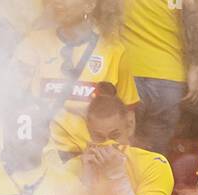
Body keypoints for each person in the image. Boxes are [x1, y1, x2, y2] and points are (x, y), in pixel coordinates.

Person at [14, 0, 139, 158]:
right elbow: (11, 100)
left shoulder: (113, 51)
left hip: (92, 158)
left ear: (90, 5)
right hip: (43, 157)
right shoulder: (32, 44)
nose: (58, 2)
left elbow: (128, 116)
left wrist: (120, 158)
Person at [71, 83, 175, 195]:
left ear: (129, 126)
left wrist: (117, 176)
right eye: (99, 138)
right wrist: (85, 180)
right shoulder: (74, 168)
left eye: (114, 136)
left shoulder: (155, 164)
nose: (107, 145)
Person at [119, 0, 198, 155]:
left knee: (122, 148)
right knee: (156, 155)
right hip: (168, 77)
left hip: (129, 73)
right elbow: (191, 16)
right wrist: (194, 68)